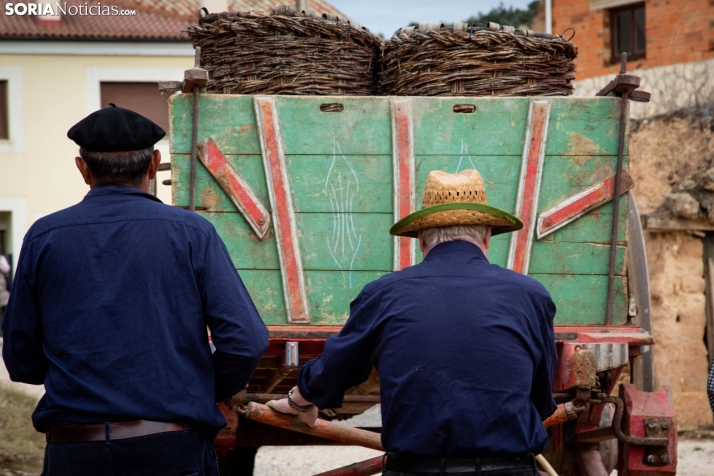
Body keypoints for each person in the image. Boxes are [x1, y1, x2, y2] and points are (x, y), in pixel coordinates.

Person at [2, 105, 268, 476]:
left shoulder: (45, 237)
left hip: (75, 452)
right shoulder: (192, 232)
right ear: (153, 164)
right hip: (170, 448)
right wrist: (201, 388)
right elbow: (246, 340)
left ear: (83, 168)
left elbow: (21, 360)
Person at [268, 169, 557, 476]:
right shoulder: (530, 295)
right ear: (486, 235)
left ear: (421, 239)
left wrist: (301, 401)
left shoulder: (384, 293)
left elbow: (339, 367)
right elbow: (541, 397)